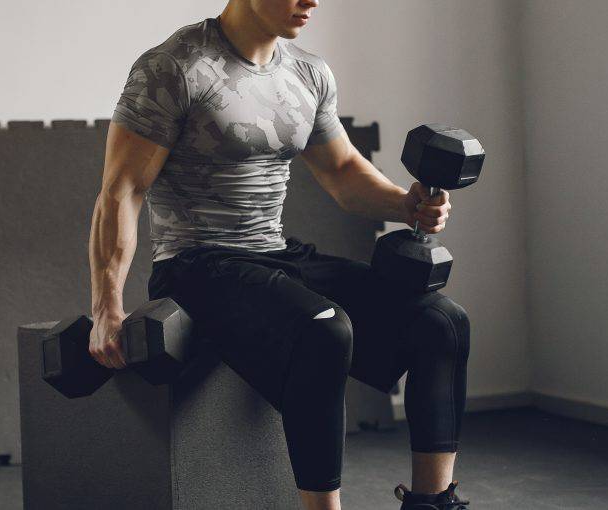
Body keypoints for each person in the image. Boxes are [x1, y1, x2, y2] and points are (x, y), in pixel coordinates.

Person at [87, 1, 470, 509]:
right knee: (325, 328)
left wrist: (407, 205)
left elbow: (342, 172)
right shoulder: (173, 67)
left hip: (275, 251)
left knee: (442, 321)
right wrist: (105, 308)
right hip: (196, 262)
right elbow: (123, 189)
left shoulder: (308, 72)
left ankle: (432, 501)